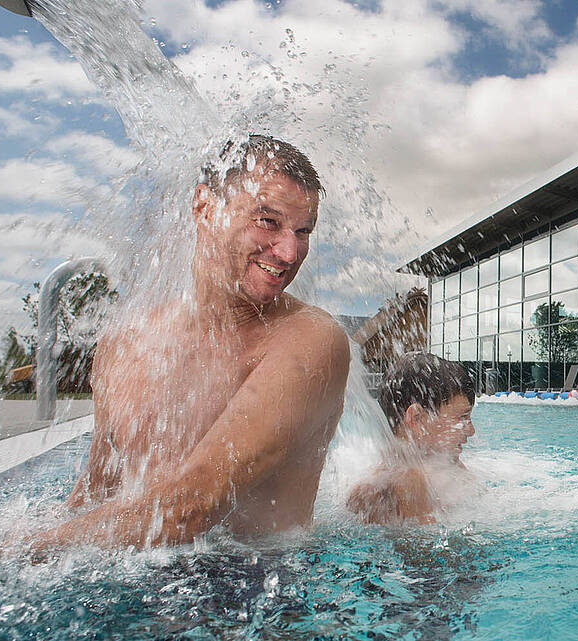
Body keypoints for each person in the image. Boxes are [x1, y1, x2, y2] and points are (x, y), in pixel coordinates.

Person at [28, 135, 350, 554]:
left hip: (263, 595)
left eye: (303, 231)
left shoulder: (311, 340)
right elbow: (95, 496)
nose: (289, 252)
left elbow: (192, 506)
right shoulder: (125, 346)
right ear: (204, 207)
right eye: (268, 222)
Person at [347, 352, 476, 524]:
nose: (471, 431)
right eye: (461, 417)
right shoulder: (408, 480)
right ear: (417, 419)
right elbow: (426, 548)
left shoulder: (437, 465)